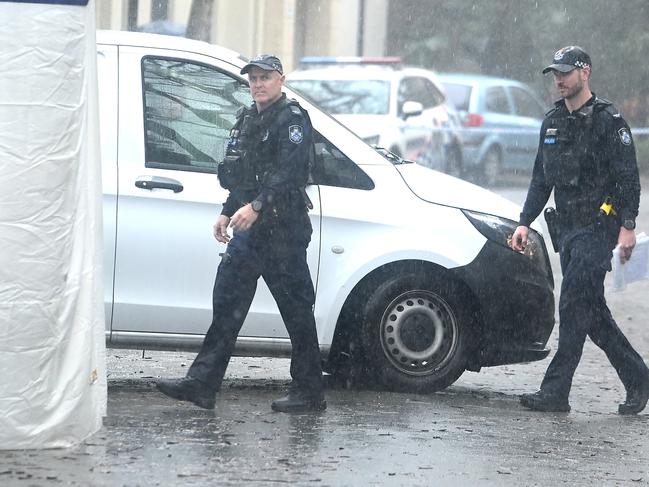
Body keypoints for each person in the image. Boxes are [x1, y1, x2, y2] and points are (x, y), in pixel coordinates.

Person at [156, 54, 326, 413]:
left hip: (283, 231)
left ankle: (310, 392)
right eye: (253, 79)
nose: (258, 84)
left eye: (265, 77)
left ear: (281, 79)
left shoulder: (293, 119)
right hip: (249, 232)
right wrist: (227, 210)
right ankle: (202, 384)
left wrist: (259, 206)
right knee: (227, 307)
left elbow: (289, 174)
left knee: (297, 312)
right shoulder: (248, 118)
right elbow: (244, 174)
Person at [511, 46, 649, 414]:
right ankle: (639, 378)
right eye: (555, 73)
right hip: (568, 231)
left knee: (572, 304)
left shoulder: (609, 120)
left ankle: (556, 392)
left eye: (566, 72)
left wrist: (628, 227)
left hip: (598, 227)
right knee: (591, 312)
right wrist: (524, 221)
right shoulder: (552, 122)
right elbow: (541, 178)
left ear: (584, 72)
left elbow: (627, 179)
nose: (559, 79)